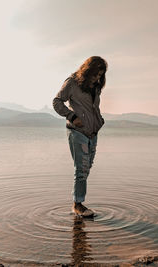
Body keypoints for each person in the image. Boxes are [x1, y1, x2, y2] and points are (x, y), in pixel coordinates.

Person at [52, 56, 108, 217]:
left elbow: (93, 108)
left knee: (87, 166)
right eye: (95, 74)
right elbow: (57, 101)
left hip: (93, 132)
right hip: (77, 132)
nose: (97, 78)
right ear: (87, 69)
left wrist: (99, 120)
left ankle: (78, 202)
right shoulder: (72, 82)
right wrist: (71, 116)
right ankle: (78, 204)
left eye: (100, 75)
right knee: (81, 169)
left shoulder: (95, 87)